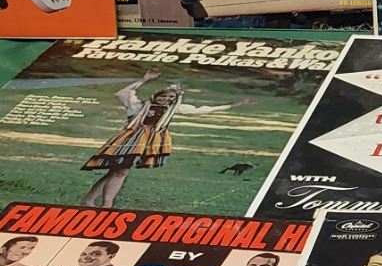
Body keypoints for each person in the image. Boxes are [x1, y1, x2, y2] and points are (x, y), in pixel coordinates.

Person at [80, 70, 253, 207]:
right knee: (120, 170)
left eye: (171, 97)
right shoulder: (138, 106)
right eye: (163, 96)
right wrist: (144, 80)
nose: (166, 99)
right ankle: (105, 204)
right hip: (129, 140)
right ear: (156, 95)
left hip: (146, 142)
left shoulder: (171, 110)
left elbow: (201, 109)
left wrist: (233, 105)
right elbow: (122, 93)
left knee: (118, 170)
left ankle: (92, 201)